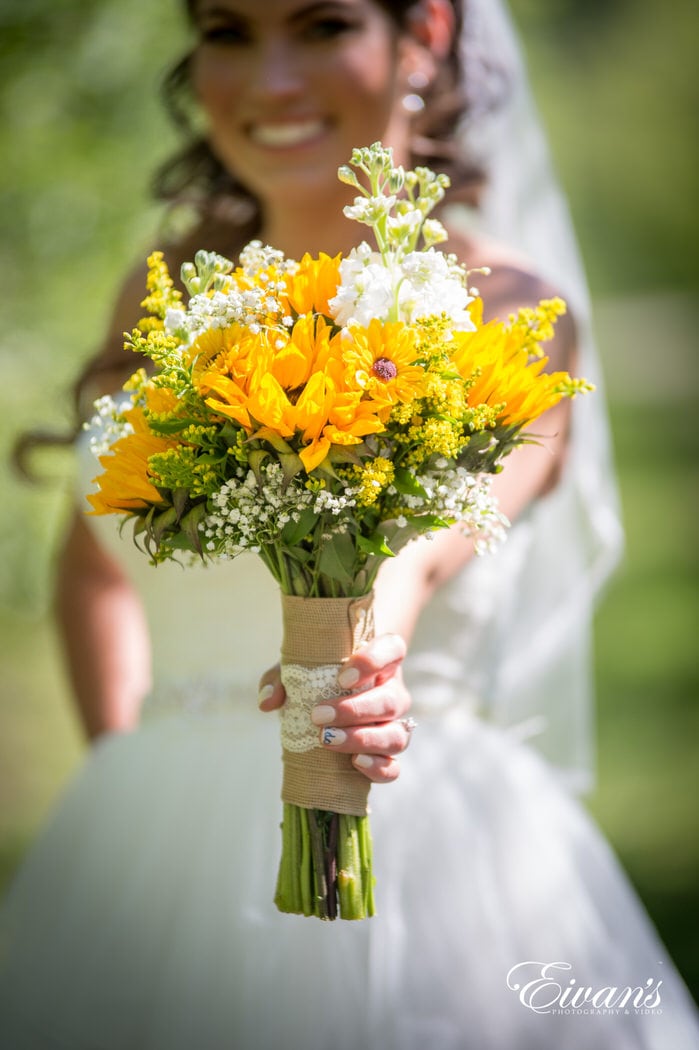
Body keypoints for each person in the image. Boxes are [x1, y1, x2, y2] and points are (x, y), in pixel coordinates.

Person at [1, 1, 697, 1047]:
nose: (268, 79)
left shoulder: (508, 308)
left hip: (408, 807)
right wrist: (125, 779)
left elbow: (433, 544)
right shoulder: (161, 310)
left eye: (323, 26)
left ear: (423, 34)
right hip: (145, 836)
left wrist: (358, 657)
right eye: (227, 32)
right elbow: (96, 563)